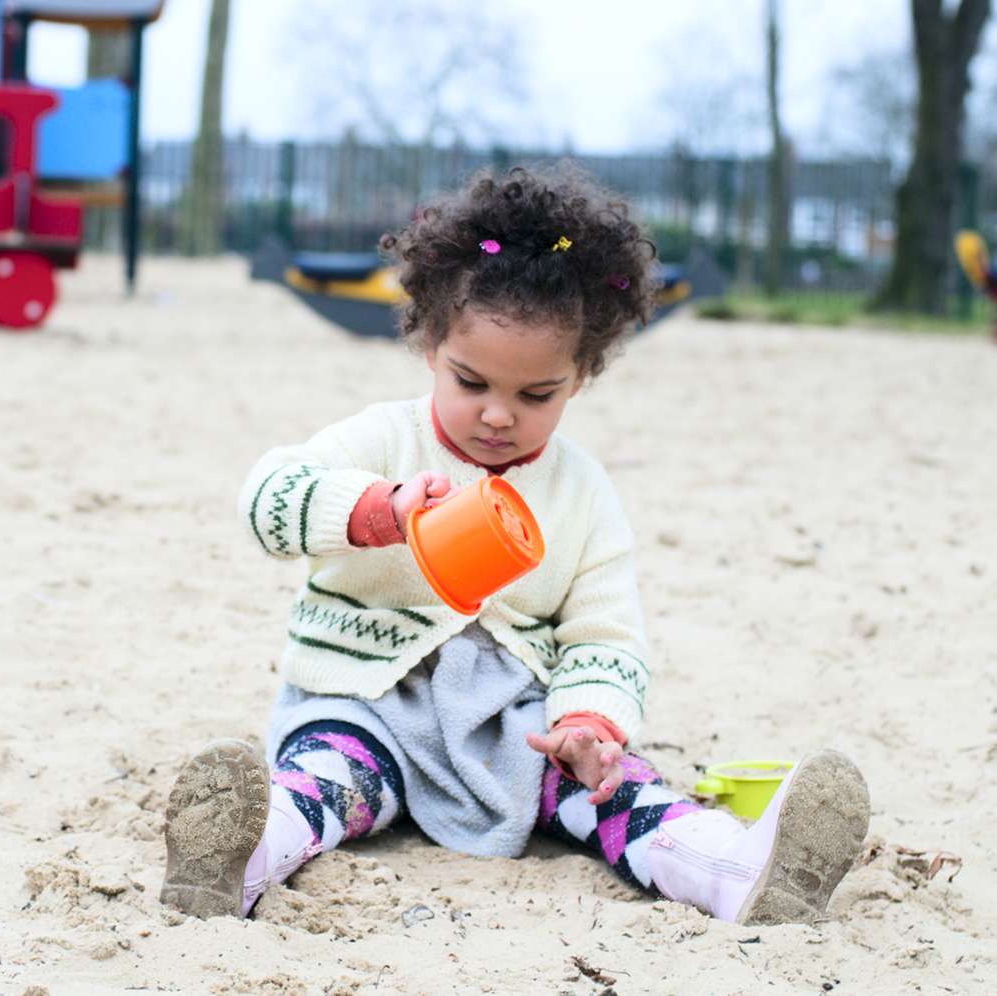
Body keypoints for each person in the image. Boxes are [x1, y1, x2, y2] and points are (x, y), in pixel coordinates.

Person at [159, 164, 871, 926]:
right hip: (364, 701)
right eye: (472, 383)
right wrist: (373, 508)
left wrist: (588, 723)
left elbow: (607, 633)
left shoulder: (582, 492)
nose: (499, 416)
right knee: (323, 784)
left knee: (621, 794)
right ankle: (233, 862)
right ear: (430, 343)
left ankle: (738, 871)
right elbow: (266, 499)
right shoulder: (381, 439)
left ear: (581, 377)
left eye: (536, 396)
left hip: (513, 729)